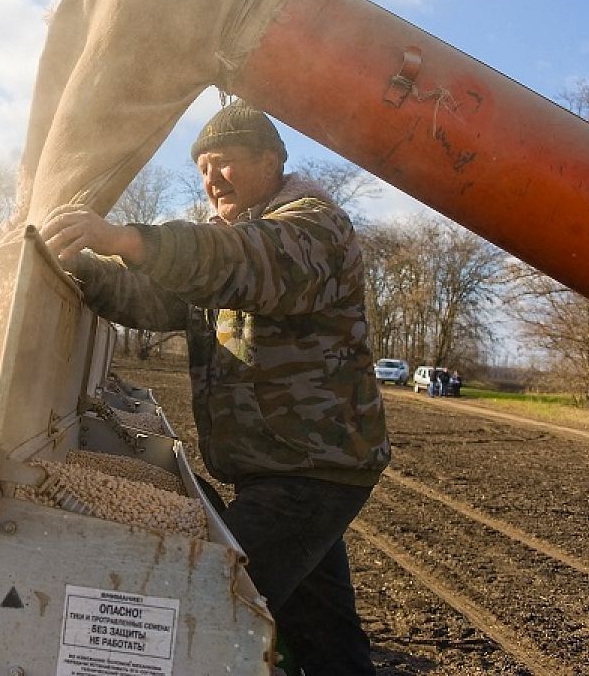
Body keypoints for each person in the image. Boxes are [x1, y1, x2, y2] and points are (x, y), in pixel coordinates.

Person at [40, 99, 390, 675]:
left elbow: (244, 261)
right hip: (284, 466)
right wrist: (83, 268)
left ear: (271, 160)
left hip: (309, 470)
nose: (210, 179)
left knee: (204, 603)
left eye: (224, 162)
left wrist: (127, 238)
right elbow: (154, 299)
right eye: (202, 167)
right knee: (322, 631)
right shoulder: (226, 244)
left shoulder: (311, 227)